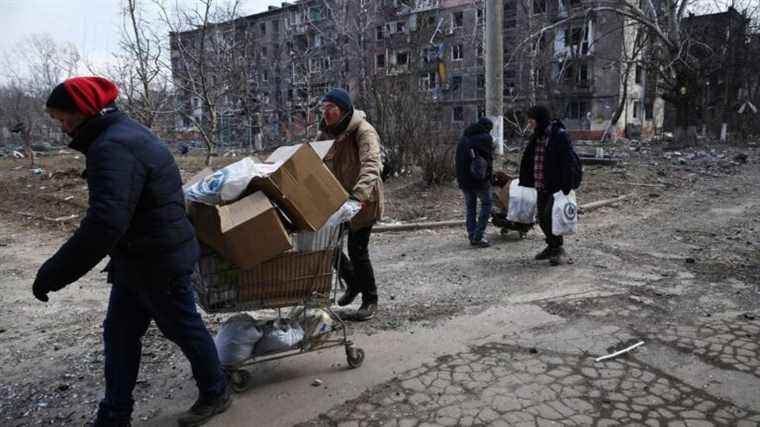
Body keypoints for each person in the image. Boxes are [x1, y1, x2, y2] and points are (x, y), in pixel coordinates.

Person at [33, 76, 230, 427]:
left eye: (64, 119)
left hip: (158, 260)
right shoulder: (122, 134)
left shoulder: (113, 147)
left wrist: (54, 272)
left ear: (85, 112)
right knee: (120, 334)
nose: (62, 128)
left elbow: (105, 224)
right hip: (140, 258)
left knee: (182, 327)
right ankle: (114, 414)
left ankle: (216, 392)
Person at [317, 88, 384, 321]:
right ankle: (353, 282)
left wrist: (358, 197)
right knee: (328, 245)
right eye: (323, 109)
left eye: (330, 109)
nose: (325, 114)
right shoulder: (327, 133)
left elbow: (371, 164)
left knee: (358, 251)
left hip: (363, 201)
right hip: (339, 200)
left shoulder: (364, 131)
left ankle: (370, 300)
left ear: (343, 110)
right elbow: (313, 159)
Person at [519, 105, 575, 266]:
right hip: (540, 184)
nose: (529, 125)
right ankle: (552, 246)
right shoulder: (537, 136)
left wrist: (566, 186)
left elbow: (567, 163)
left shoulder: (559, 136)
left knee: (549, 218)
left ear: (540, 120)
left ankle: (558, 249)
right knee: (541, 219)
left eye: (531, 121)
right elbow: (530, 158)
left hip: (556, 186)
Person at [455, 117, 495, 248]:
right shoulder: (485, 139)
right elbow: (488, 161)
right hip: (479, 180)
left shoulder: (464, 138)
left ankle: (472, 235)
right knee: (487, 203)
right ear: (487, 128)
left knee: (470, 208)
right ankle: (478, 236)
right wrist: (489, 178)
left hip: (464, 180)